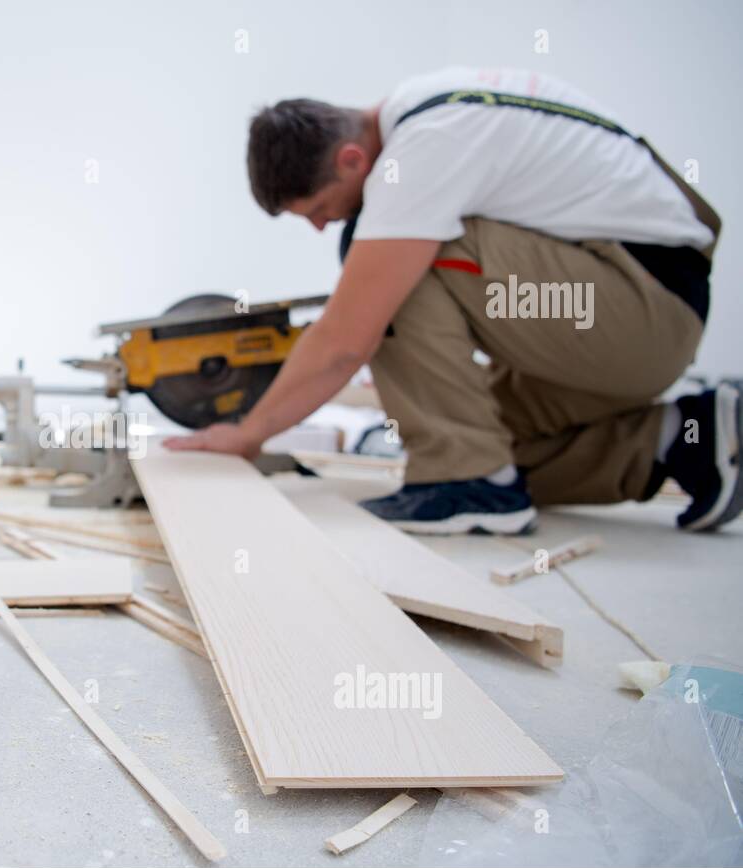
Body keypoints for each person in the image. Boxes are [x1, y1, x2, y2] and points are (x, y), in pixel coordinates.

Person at [164, 66, 738, 534]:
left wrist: (247, 434)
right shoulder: (428, 110)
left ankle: (469, 482)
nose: (319, 226)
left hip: (643, 311)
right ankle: (682, 438)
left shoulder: (427, 144)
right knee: (488, 439)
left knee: (389, 262)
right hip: (631, 315)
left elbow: (345, 342)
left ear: (350, 160)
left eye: (316, 208)